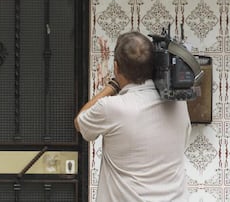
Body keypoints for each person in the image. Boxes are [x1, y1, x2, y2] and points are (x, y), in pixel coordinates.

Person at [74, 31, 191, 201]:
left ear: (116, 67)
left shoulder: (111, 108)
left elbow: (80, 122)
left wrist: (113, 86)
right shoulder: (179, 104)